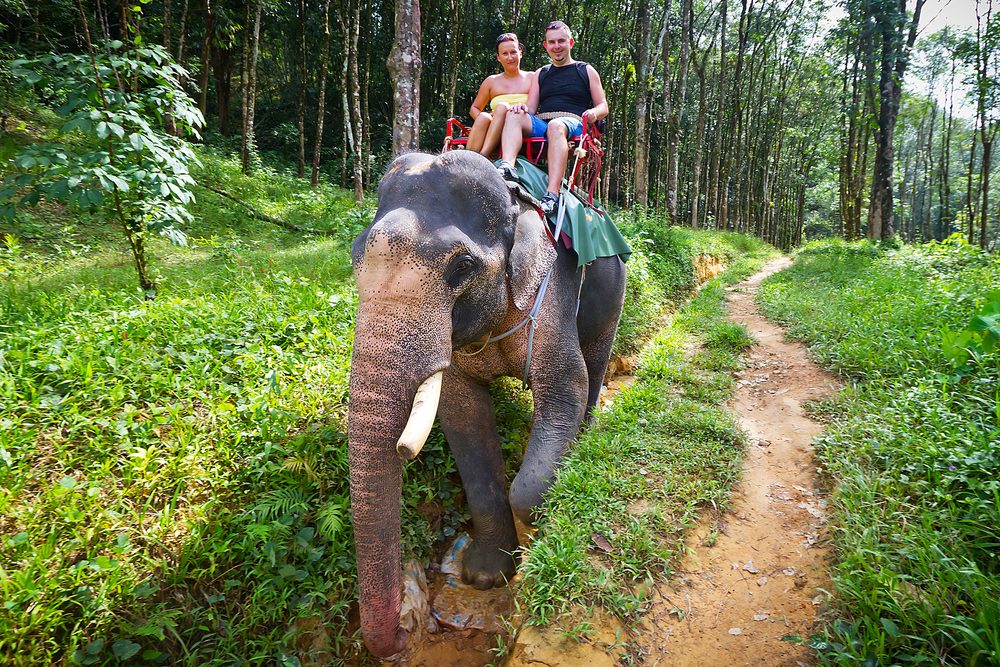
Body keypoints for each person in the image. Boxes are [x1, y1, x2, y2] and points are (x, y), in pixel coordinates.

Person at [497, 20, 609, 217]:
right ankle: (508, 166)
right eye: (552, 42)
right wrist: (521, 108)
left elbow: (603, 106)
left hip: (573, 122)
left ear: (570, 43)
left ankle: (552, 194)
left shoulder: (585, 70)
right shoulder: (541, 73)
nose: (557, 46)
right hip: (543, 122)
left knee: (556, 125)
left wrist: (594, 113)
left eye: (561, 41)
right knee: (514, 114)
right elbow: (531, 108)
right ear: (546, 45)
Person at [465, 33, 534, 157]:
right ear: (498, 57)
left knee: (502, 106)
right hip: (494, 128)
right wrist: (493, 119)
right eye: (504, 54)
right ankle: (468, 160)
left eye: (513, 52)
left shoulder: (532, 78)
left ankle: (482, 156)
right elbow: (474, 108)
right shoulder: (491, 81)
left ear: (520, 53)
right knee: (484, 116)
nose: (510, 58)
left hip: (521, 126)